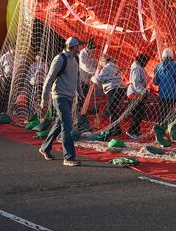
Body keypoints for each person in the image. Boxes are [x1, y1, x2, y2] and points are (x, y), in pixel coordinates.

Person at [39, 37, 85, 166]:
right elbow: (49, 79)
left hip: (69, 97)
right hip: (59, 97)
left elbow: (77, 78)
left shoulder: (75, 59)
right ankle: (69, 157)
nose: (79, 48)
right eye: (78, 46)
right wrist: (44, 100)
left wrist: (80, 93)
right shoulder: (60, 59)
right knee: (67, 126)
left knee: (59, 124)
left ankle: (45, 148)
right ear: (73, 47)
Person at [92, 54, 125, 125]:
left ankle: (115, 127)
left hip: (113, 89)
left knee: (110, 108)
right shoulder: (114, 66)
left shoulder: (107, 67)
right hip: (120, 88)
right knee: (111, 108)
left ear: (103, 62)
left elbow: (98, 80)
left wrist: (93, 77)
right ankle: (115, 126)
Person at [154, 48, 176, 126]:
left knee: (163, 112)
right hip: (174, 95)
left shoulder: (158, 67)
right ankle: (173, 128)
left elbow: (155, 82)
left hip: (162, 94)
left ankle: (162, 127)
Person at [126, 53, 149, 139]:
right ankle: (131, 131)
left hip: (138, 93)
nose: (146, 64)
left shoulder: (139, 67)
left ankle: (136, 131)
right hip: (134, 93)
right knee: (137, 113)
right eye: (146, 62)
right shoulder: (136, 68)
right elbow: (135, 83)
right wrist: (144, 91)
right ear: (141, 61)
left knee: (140, 113)